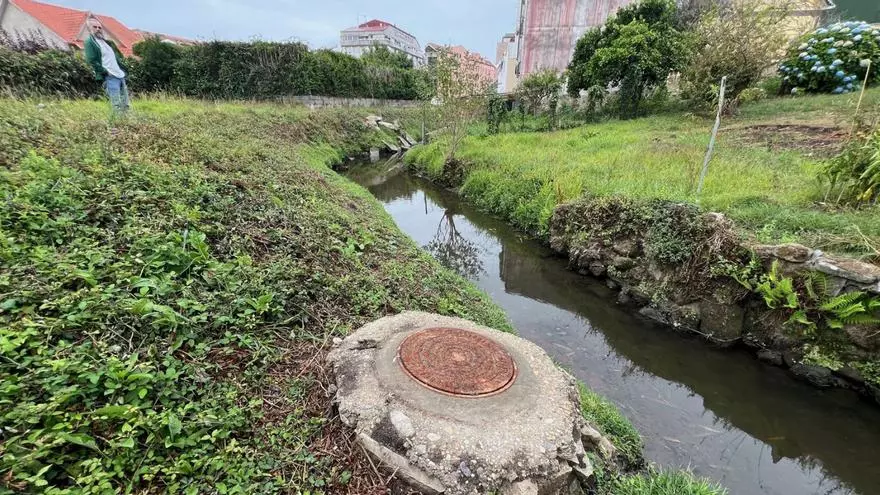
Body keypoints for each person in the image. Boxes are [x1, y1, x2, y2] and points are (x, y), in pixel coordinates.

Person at [84, 19, 130, 114]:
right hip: (110, 77)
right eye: (95, 27)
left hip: (120, 75)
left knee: (126, 104)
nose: (98, 29)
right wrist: (105, 71)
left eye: (100, 27)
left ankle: (127, 124)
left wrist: (123, 70)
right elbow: (91, 60)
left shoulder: (108, 43)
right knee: (116, 104)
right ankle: (116, 125)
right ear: (89, 29)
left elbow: (118, 57)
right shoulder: (89, 42)